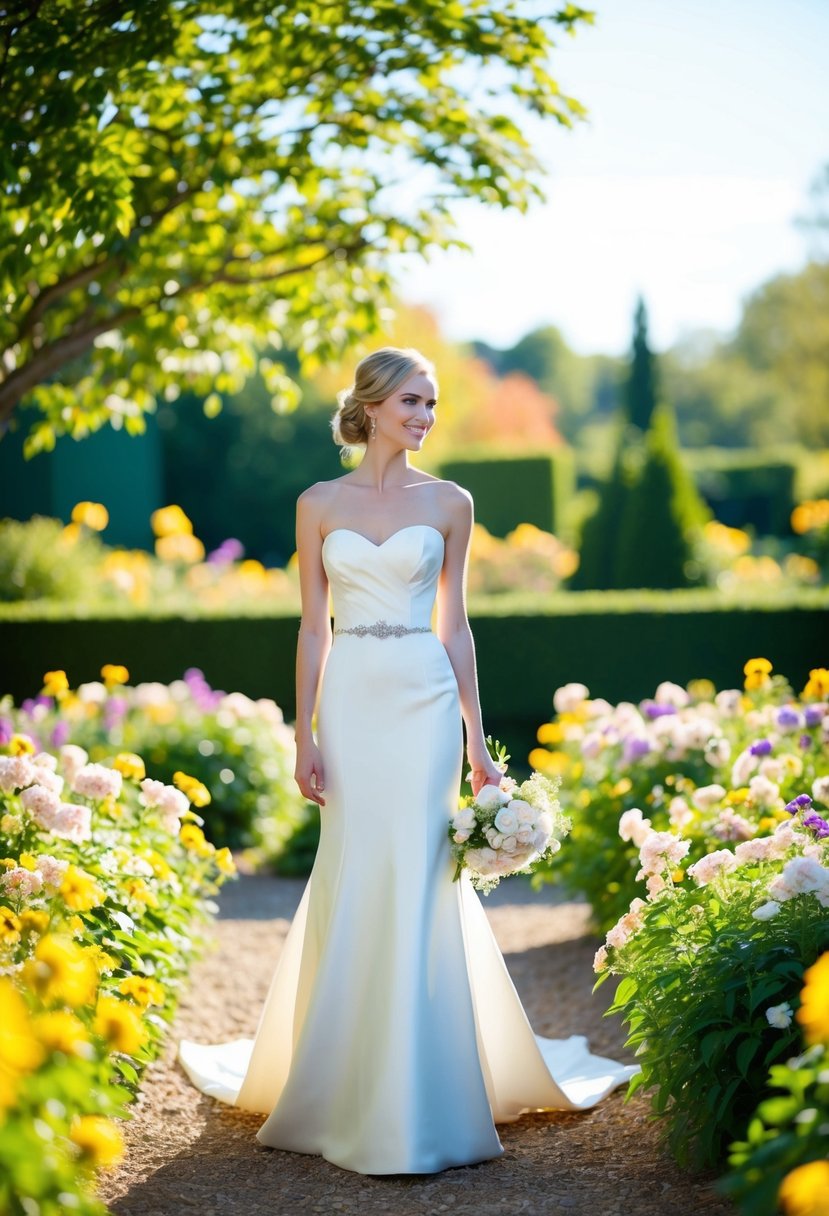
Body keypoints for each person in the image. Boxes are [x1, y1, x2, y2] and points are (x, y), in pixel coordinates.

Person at [177, 346, 637, 1175]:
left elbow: (455, 625)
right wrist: (302, 735)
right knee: (354, 865)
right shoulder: (317, 503)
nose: (424, 418)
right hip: (350, 698)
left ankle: (428, 1083)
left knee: (423, 870)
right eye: (412, 402)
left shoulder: (451, 502)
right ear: (373, 404)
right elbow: (311, 627)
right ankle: (341, 1076)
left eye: (431, 404)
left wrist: (476, 742)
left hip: (423, 699)